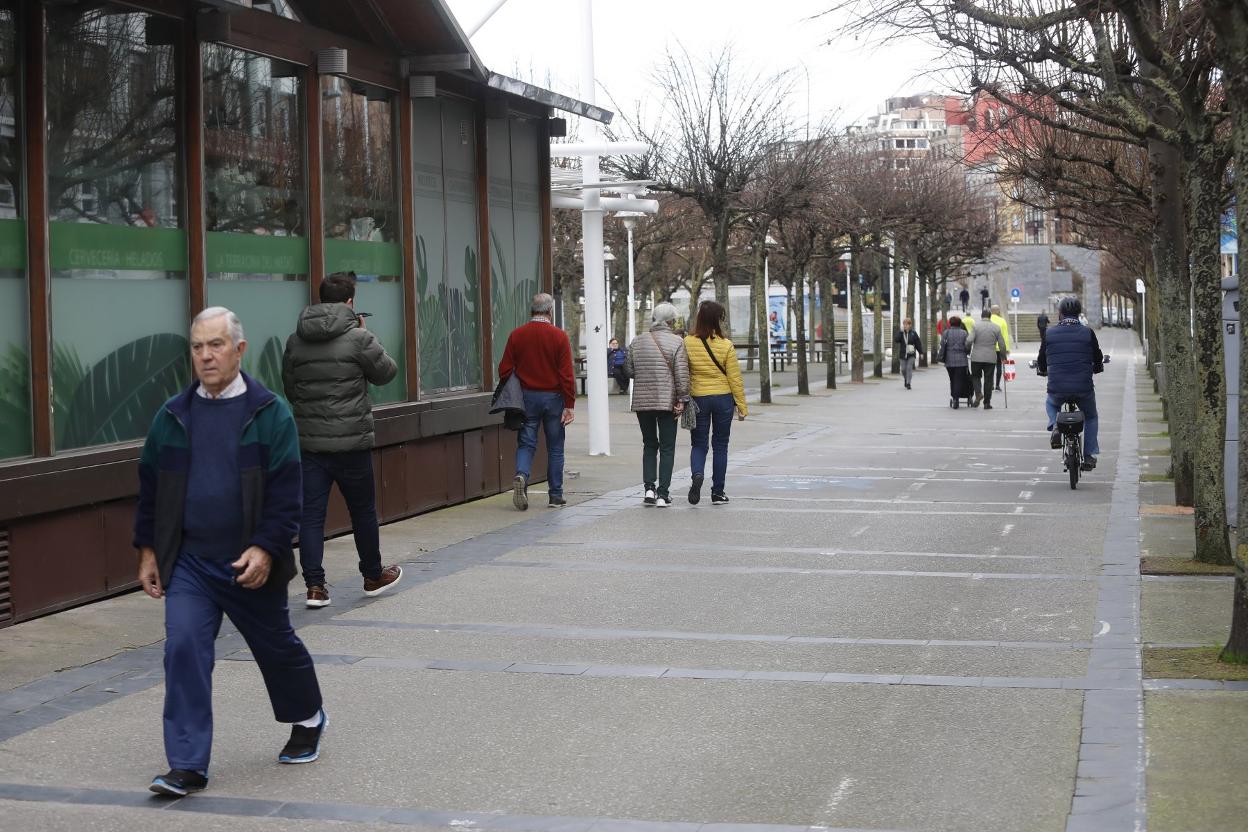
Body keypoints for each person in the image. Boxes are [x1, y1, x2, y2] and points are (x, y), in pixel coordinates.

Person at [134, 307, 325, 798]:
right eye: (197, 346)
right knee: (183, 650)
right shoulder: (173, 415)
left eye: (215, 345)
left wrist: (265, 548)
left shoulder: (269, 413)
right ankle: (187, 765)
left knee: (276, 646)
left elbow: (287, 494)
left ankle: (308, 718)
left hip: (248, 563)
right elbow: (150, 489)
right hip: (191, 562)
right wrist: (148, 550)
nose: (205, 356)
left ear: (238, 350)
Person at [283, 272, 403, 609]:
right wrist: (366, 334)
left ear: (321, 299)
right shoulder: (358, 338)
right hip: (352, 444)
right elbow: (387, 372)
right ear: (350, 302)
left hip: (312, 445)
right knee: (362, 511)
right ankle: (372, 575)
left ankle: (315, 588)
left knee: (311, 516)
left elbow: (291, 388)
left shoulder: (296, 339)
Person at [498, 293, 576, 510]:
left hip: (526, 398)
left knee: (526, 443)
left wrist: (517, 385)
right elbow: (566, 375)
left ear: (531, 310)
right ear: (550, 310)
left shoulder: (517, 335)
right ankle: (555, 496)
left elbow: (504, 369)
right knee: (555, 447)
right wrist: (569, 404)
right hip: (553, 398)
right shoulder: (559, 337)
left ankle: (522, 475)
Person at [624, 303, 690, 508]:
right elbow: (681, 374)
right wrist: (682, 399)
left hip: (643, 402)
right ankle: (663, 494)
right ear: (671, 321)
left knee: (649, 444)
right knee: (667, 447)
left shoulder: (637, 341)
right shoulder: (677, 342)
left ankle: (649, 489)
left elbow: (629, 370)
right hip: (667, 401)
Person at [685, 300, 747, 505]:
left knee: (699, 444)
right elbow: (734, 378)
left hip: (699, 397)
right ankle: (718, 492)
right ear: (717, 320)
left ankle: (697, 474)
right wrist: (742, 406)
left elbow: (683, 372)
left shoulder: (688, 342)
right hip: (723, 398)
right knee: (721, 445)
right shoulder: (726, 344)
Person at [1037, 296, 1104, 470]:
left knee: (1051, 404)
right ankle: (1089, 455)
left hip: (1057, 387)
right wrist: (1098, 367)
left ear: (1060, 313)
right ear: (1079, 313)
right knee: (1091, 416)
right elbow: (1097, 356)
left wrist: (1042, 369)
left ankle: (1055, 426)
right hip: (1083, 387)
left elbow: (1042, 358)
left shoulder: (1049, 333)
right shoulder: (1088, 332)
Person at [965, 309, 1007, 409]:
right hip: (990, 357)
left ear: (981, 316)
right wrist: (1003, 356)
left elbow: (969, 340)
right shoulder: (996, 328)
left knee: (975, 377)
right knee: (988, 380)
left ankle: (978, 393)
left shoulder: (976, 326)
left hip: (976, 357)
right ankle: (987, 403)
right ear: (990, 316)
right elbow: (1002, 344)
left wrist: (967, 349)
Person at [937, 314, 971, 408]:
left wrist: (941, 356)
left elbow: (942, 345)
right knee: (959, 379)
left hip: (949, 360)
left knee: (952, 379)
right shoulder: (964, 333)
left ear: (950, 324)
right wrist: (967, 352)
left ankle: (954, 396)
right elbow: (968, 345)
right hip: (962, 360)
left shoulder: (946, 333)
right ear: (959, 323)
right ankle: (956, 397)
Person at [893, 318, 923, 390]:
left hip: (911, 354)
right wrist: (900, 332)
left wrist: (921, 353)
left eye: (907, 324)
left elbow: (918, 343)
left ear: (910, 325)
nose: (905, 326)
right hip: (903, 354)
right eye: (904, 324)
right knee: (903, 369)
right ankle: (906, 379)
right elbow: (896, 340)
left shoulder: (913, 333)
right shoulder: (901, 333)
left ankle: (908, 383)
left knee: (909, 368)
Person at [989, 304, 1012, 391]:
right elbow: (1005, 336)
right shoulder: (1002, 321)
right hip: (1000, 348)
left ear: (991, 311)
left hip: (990, 348)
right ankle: (997, 385)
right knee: (999, 366)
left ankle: (990, 384)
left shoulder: (989, 320)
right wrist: (1007, 348)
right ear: (998, 311)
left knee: (990, 367)